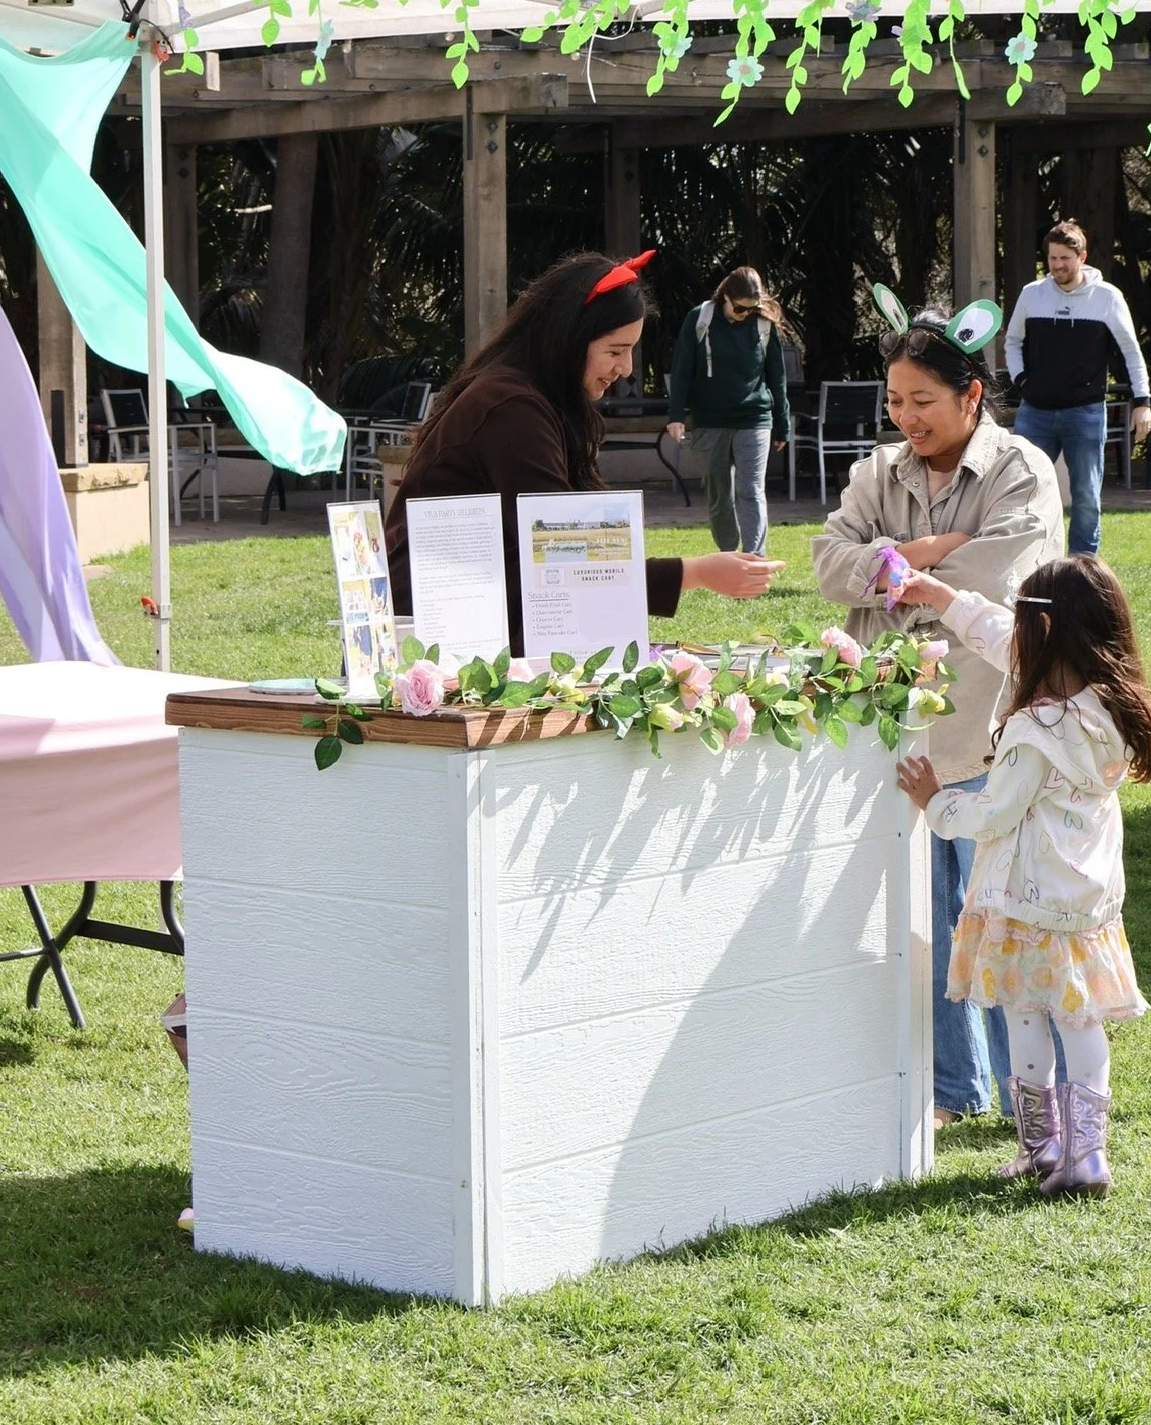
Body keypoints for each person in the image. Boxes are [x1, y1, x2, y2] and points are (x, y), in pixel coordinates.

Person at [811, 308, 1063, 1126]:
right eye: (893, 400)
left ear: (971, 395)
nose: (905, 419)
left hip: (984, 721)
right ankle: (956, 1087)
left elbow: (999, 575)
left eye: (921, 400)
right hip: (896, 721)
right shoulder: (877, 472)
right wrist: (918, 559)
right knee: (923, 908)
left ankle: (1035, 1086)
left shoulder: (1019, 469)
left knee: (991, 907)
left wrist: (888, 584)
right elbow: (826, 562)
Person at [897, 556, 1151, 1197]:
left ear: (1041, 636)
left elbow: (992, 813)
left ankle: (1042, 1146)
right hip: (1084, 900)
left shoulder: (1034, 729)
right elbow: (996, 634)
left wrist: (936, 801)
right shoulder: (1111, 707)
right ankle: (1084, 1154)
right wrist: (947, 597)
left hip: (1023, 902)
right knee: (1081, 1021)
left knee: (1025, 1016)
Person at [386, 252, 783, 650]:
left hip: (466, 628)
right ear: (570, 340)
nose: (626, 368)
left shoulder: (534, 399)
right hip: (426, 641)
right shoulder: (511, 409)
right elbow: (563, 550)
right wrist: (694, 573)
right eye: (614, 351)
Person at [1004, 221, 1151, 559]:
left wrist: (1142, 401)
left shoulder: (1107, 298)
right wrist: (1022, 382)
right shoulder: (1032, 295)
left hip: (1084, 413)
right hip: (1035, 413)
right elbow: (1013, 342)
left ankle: (1083, 566)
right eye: (1052, 258)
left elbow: (1131, 352)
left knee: (1086, 496)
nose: (1057, 265)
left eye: (1065, 259)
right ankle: (1026, 559)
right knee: (1021, 488)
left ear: (1082, 257)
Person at [666, 267, 789, 556]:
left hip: (754, 418)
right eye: (739, 308)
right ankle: (729, 555)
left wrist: (783, 424)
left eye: (752, 308)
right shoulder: (700, 319)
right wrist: (675, 415)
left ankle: (754, 559)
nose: (746, 314)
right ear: (725, 297)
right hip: (710, 420)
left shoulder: (764, 324)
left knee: (751, 491)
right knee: (719, 496)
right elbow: (682, 368)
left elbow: (777, 376)